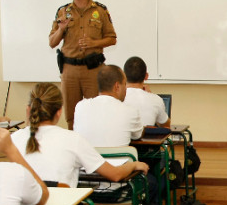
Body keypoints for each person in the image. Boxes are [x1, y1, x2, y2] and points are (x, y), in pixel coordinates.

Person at [12, 82, 149, 188]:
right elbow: (115, 175)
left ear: (29, 109)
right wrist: (134, 165)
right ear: (59, 112)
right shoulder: (72, 140)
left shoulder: (13, 139)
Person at [48, 0, 117, 130]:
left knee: (95, 113)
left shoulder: (99, 11)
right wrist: (61, 29)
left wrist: (94, 43)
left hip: (92, 69)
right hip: (70, 70)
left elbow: (112, 38)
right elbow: (52, 43)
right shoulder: (63, 12)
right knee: (71, 116)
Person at [73, 65, 143, 147]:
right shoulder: (130, 111)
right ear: (117, 86)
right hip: (120, 159)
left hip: (87, 159)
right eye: (124, 84)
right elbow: (137, 135)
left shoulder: (80, 107)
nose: (126, 89)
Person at [123, 56, 170, 128]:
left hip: (124, 139)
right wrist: (151, 96)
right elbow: (166, 125)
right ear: (146, 76)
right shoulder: (156, 100)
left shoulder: (115, 100)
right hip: (147, 139)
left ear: (123, 76)